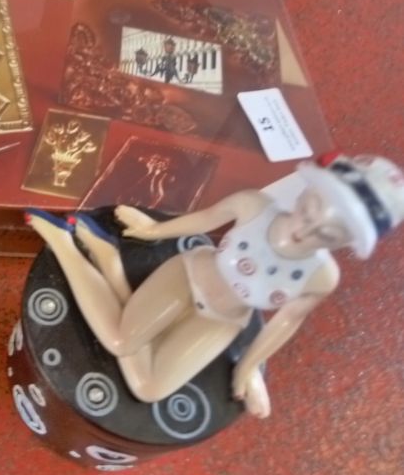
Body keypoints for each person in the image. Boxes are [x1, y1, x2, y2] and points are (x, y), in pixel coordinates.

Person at [25, 153, 404, 417]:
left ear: (346, 242)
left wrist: (247, 369)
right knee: (122, 341)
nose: (305, 231)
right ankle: (64, 243)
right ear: (307, 191)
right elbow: (204, 220)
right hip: (190, 275)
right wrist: (152, 230)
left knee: (149, 388)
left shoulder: (322, 277)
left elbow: (286, 323)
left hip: (224, 319)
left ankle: (109, 261)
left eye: (328, 235)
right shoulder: (254, 207)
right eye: (309, 211)